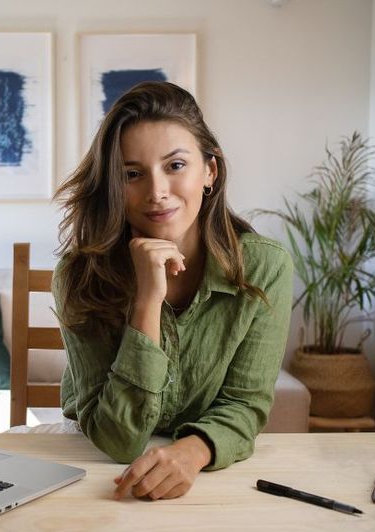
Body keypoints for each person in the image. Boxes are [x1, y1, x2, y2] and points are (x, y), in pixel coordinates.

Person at [52, 81, 293, 501]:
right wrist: (147, 300)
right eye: (132, 174)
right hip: (95, 476)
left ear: (209, 172)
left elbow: (245, 405)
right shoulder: (79, 275)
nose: (157, 192)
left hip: (212, 478)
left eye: (175, 166)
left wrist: (193, 452)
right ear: (113, 184)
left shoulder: (264, 267)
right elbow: (117, 441)